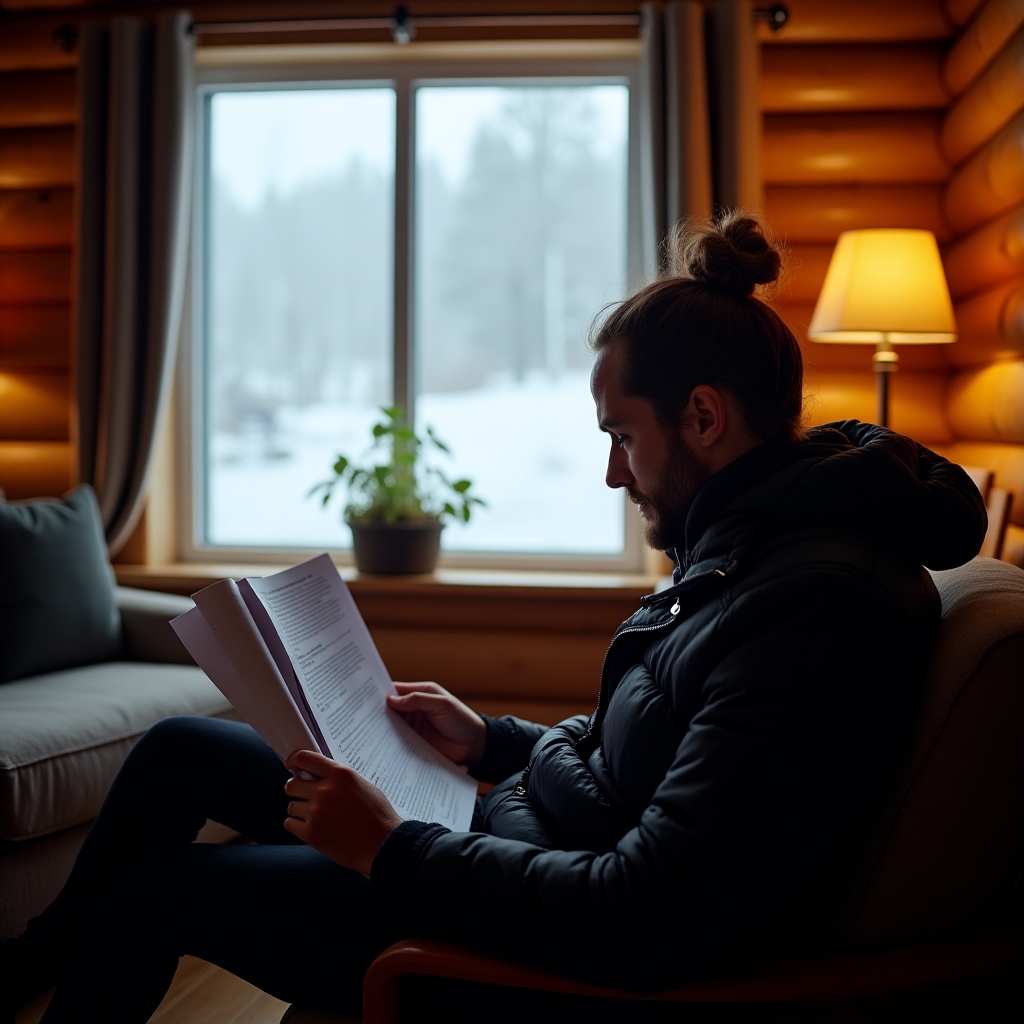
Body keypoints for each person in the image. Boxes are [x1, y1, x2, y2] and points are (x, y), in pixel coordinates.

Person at [1, 213, 986, 1023]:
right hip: (509, 842)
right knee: (180, 746)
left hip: (513, 939)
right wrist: (493, 739)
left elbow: (649, 912)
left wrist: (388, 847)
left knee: (153, 893)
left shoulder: (814, 608)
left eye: (622, 436)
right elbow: (640, 761)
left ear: (702, 416)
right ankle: (28, 962)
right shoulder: (757, 545)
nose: (614, 474)